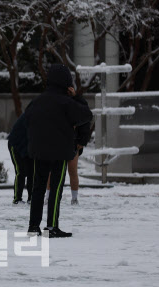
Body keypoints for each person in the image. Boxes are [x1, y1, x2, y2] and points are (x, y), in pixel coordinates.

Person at [25, 64, 93, 238]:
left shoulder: (37, 101)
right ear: (66, 83)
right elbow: (86, 116)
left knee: (38, 188)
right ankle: (51, 227)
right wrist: (76, 97)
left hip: (38, 151)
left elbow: (27, 120)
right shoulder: (67, 102)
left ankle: (33, 227)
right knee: (56, 189)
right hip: (60, 152)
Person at [7, 114, 33, 205]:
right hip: (16, 145)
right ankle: (17, 199)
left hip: (28, 146)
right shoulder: (33, 115)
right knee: (20, 171)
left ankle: (31, 198)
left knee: (31, 172)